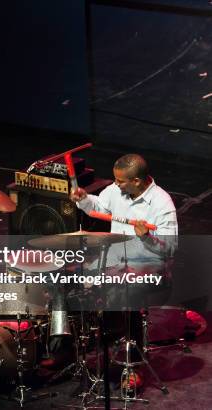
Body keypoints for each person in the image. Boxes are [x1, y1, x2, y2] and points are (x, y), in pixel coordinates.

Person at [70, 153, 178, 389]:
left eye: (120, 181)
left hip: (149, 268)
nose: (115, 184)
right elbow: (97, 206)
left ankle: (133, 363)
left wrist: (147, 237)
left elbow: (170, 249)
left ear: (137, 181)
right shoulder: (118, 191)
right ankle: (67, 348)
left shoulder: (162, 203)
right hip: (115, 263)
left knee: (124, 292)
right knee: (69, 277)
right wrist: (84, 199)